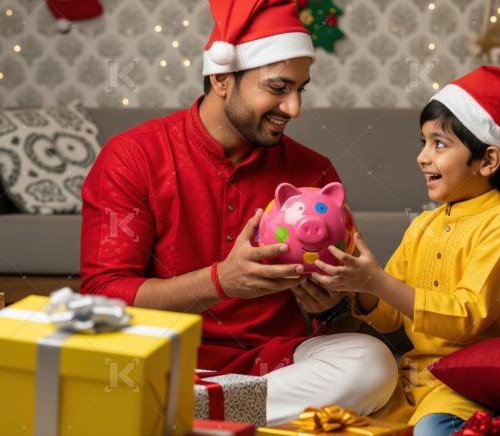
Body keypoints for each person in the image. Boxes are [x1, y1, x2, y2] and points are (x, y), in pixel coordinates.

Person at [79, 0, 396, 425]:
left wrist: (331, 302)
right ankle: (213, 413)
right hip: (158, 358)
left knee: (372, 363)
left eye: (301, 89)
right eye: (279, 88)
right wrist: (220, 282)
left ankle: (185, 415)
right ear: (222, 78)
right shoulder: (132, 156)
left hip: (272, 366)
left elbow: (332, 313)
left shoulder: (313, 172)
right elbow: (102, 298)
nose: (294, 108)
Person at [311, 66, 500, 435]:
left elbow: (466, 319)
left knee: (430, 431)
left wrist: (378, 282)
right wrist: (360, 284)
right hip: (415, 382)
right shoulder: (423, 226)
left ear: (488, 161)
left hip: (473, 386)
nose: (423, 157)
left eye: (439, 144)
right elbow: (388, 318)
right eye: (424, 142)